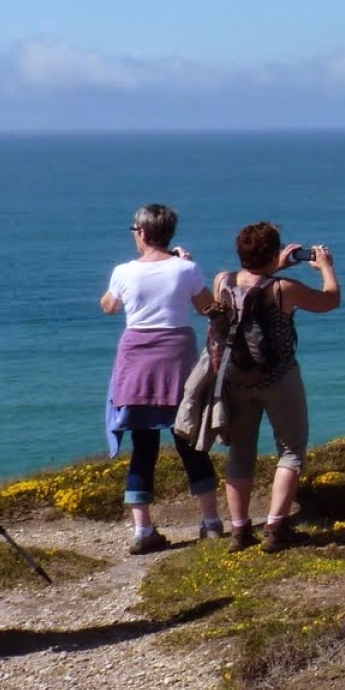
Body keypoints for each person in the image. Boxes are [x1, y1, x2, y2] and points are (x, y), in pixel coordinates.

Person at [99, 204, 223, 554]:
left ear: (141, 233)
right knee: (190, 441)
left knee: (143, 447)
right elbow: (208, 307)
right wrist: (184, 265)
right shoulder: (187, 268)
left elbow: (108, 306)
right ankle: (211, 522)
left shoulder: (123, 272)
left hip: (136, 362)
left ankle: (143, 530)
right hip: (177, 359)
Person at [214, 222, 340, 552]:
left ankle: (239, 531)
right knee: (290, 450)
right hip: (279, 377)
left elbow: (247, 290)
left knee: (240, 452)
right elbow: (330, 300)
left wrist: (272, 266)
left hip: (235, 378)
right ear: (273, 253)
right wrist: (326, 268)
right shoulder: (284, 289)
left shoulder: (222, 282)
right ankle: (275, 528)